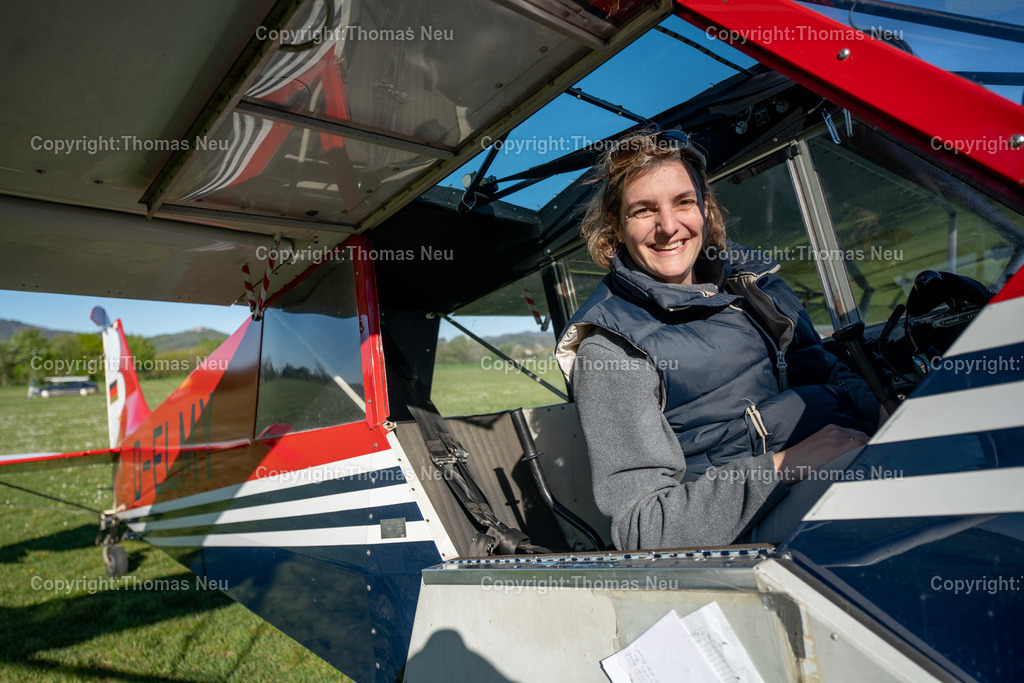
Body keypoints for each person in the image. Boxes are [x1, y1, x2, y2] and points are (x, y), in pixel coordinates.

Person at [555, 130, 884, 550]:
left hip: (848, 448)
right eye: (643, 211)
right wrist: (784, 466)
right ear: (616, 227)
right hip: (754, 529)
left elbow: (827, 368)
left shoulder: (757, 283)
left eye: (684, 202)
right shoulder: (612, 349)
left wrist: (885, 410)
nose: (668, 227)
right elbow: (644, 529)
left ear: (706, 209)